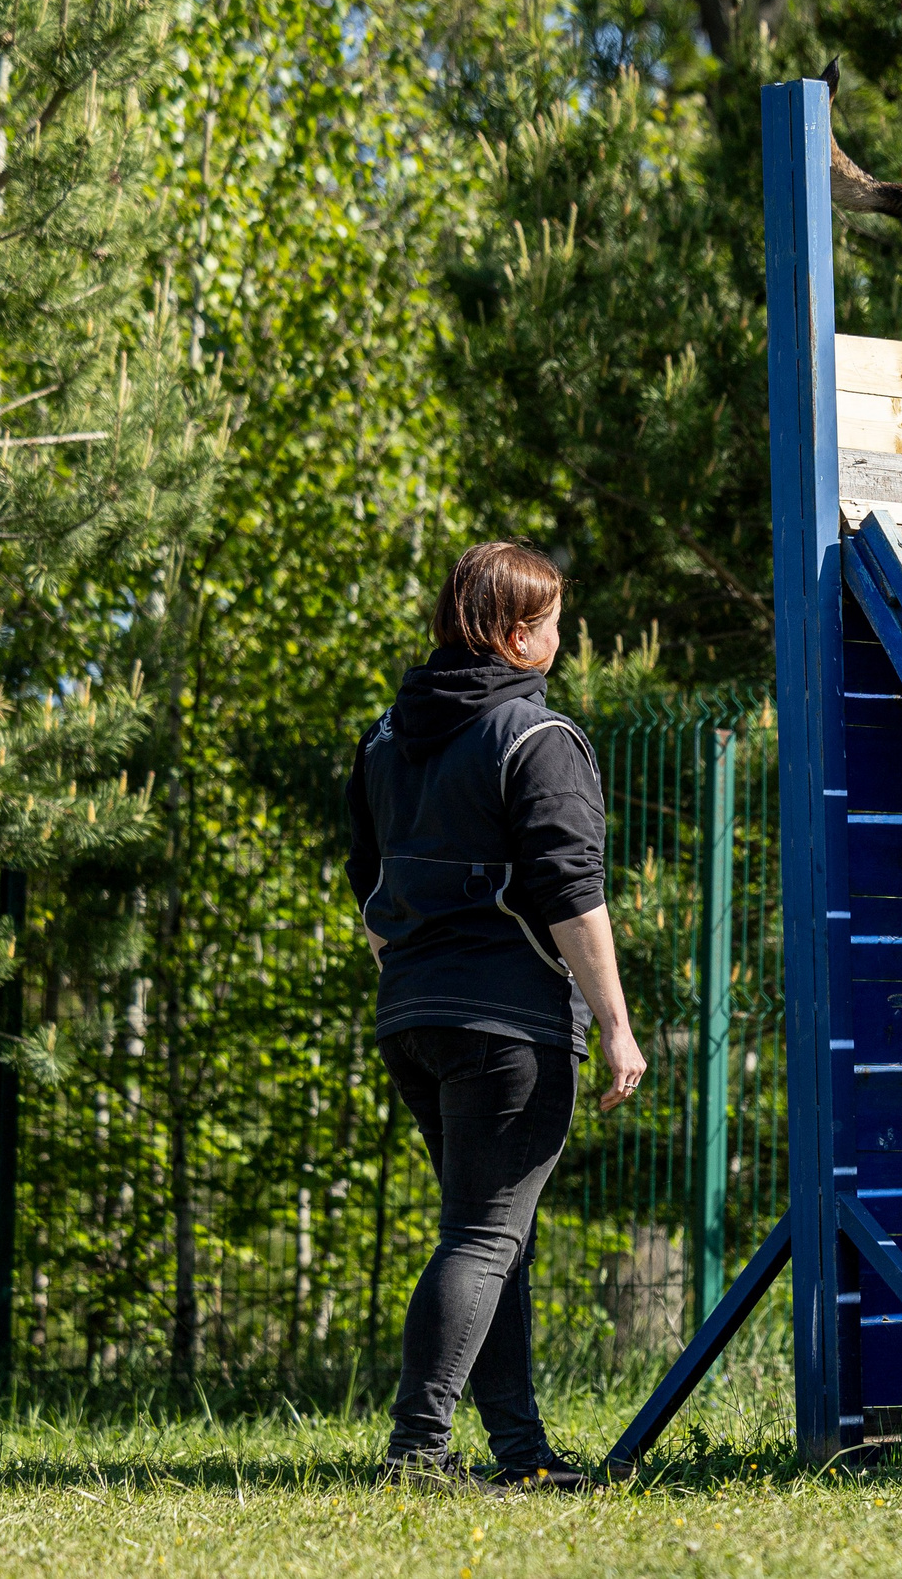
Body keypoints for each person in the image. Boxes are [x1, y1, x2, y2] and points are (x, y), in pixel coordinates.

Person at [345, 541, 649, 1491]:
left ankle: (520, 1454)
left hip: (412, 1017)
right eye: (553, 622)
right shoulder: (535, 737)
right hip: (510, 1022)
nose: (562, 637)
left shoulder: (386, 738)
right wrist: (616, 1024)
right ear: (518, 636)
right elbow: (572, 896)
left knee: (491, 1233)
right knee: (482, 1238)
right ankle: (417, 1453)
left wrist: (413, 973)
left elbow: (368, 884)